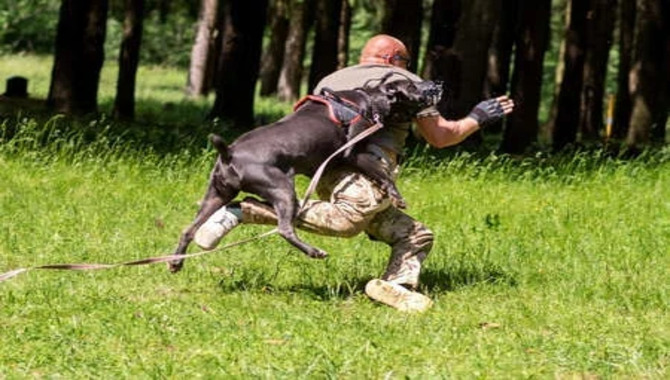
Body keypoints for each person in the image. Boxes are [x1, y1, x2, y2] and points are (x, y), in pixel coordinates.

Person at [194, 35, 514, 312]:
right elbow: (441, 136)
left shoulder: (330, 79)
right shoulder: (404, 82)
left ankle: (396, 287)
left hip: (325, 172)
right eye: (403, 60)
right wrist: (478, 117)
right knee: (348, 222)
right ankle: (245, 210)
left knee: (415, 236)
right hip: (366, 174)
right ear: (393, 59)